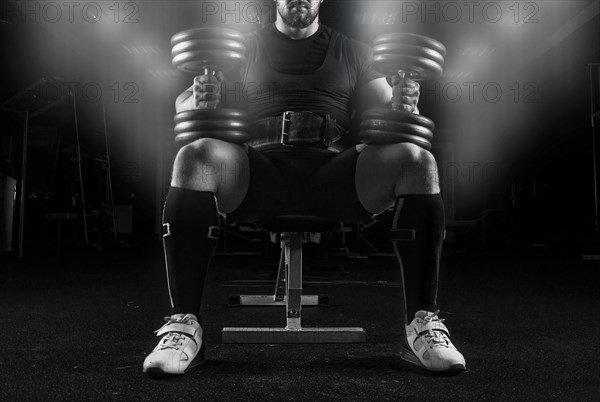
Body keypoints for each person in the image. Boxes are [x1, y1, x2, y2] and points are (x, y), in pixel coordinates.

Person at [143, 0, 466, 377]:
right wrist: (194, 102)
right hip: (257, 173)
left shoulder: (356, 53)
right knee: (193, 156)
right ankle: (184, 325)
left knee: (418, 160)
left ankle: (423, 324)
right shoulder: (238, 49)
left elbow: (386, 116)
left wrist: (404, 106)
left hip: (334, 174)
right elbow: (184, 103)